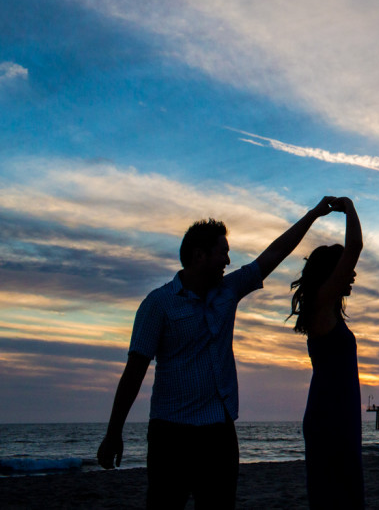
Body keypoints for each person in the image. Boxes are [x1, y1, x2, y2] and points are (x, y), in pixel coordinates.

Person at [96, 196, 347, 509]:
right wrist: (113, 433)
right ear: (199, 256)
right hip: (170, 434)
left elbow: (275, 254)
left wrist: (312, 215)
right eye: (222, 253)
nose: (228, 261)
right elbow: (134, 372)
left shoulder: (228, 291)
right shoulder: (157, 305)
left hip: (218, 433)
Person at [288, 196, 364, 509]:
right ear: (331, 275)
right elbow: (355, 247)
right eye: (345, 270)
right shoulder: (321, 305)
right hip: (330, 419)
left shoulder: (328, 310)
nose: (353, 275)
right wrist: (348, 205)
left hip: (340, 416)